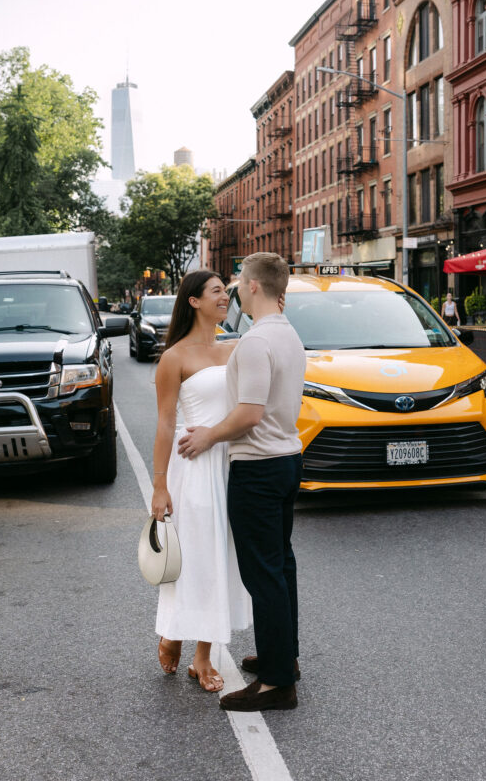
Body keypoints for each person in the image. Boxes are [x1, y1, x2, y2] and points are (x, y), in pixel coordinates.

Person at [178, 252, 306, 713]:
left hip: (259, 467)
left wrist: (209, 435)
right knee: (282, 566)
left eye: (237, 284)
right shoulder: (288, 334)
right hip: (288, 459)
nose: (233, 291)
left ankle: (275, 684)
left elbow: (249, 414)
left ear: (253, 286)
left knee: (264, 574)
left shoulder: (255, 341)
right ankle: (283, 659)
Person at [151, 270, 251, 691]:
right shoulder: (174, 357)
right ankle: (174, 631)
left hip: (230, 463)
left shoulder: (235, 348)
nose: (224, 298)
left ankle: (202, 655)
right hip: (192, 467)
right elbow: (164, 423)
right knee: (194, 559)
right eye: (216, 292)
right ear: (193, 301)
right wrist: (160, 485)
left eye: (226, 293)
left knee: (221, 559)